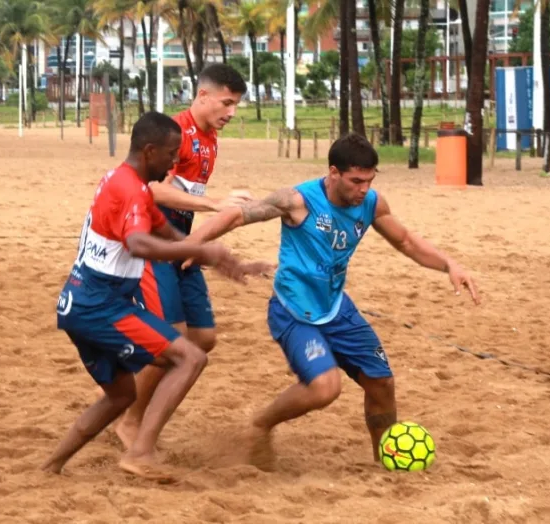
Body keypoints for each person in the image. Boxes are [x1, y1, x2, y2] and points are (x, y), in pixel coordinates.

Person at [183, 133, 480, 469]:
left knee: (381, 383)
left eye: (369, 180)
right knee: (325, 388)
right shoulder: (298, 201)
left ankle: (386, 460)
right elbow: (237, 215)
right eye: (356, 181)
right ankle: (261, 423)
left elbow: (407, 242)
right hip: (293, 310)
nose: (363, 189)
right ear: (334, 173)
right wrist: (192, 245)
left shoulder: (371, 204)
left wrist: (449, 265)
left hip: (337, 307)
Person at [41, 112, 270, 482]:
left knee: (119, 396)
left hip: (78, 303)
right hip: (101, 305)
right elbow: (138, 243)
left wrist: (224, 260)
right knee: (190, 358)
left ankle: (50, 466)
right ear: (149, 151)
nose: (174, 163)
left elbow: (166, 234)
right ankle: (140, 453)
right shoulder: (131, 189)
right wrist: (205, 253)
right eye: (170, 154)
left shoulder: (128, 183)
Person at [115, 64, 249, 449]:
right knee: (174, 340)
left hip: (181, 242)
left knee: (204, 338)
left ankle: (130, 404)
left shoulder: (210, 140)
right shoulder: (176, 134)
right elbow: (155, 192)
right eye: (226, 102)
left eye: (236, 105)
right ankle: (130, 418)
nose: (231, 112)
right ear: (203, 95)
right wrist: (215, 204)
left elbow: (185, 199)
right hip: (157, 244)